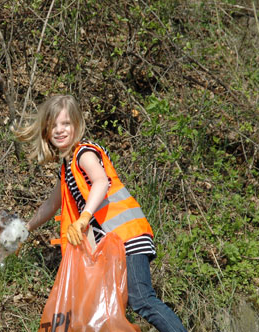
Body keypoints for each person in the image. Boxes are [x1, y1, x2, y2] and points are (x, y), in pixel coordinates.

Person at [14, 94, 187, 332]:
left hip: (129, 237)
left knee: (142, 299)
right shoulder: (67, 167)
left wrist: (84, 218)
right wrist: (26, 228)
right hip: (113, 244)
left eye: (66, 123)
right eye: (54, 125)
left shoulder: (84, 154)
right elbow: (51, 204)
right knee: (110, 308)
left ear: (76, 124)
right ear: (46, 130)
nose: (60, 130)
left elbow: (100, 182)